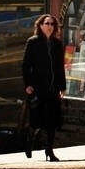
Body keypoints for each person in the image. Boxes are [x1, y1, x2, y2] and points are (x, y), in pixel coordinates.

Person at [22, 15, 65, 161]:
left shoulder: (57, 44)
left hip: (52, 88)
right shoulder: (33, 42)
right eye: (47, 23)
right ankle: (29, 140)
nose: (50, 26)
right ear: (40, 25)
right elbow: (26, 65)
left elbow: (60, 67)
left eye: (52, 24)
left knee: (51, 121)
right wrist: (28, 84)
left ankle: (49, 151)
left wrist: (62, 86)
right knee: (36, 120)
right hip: (38, 87)